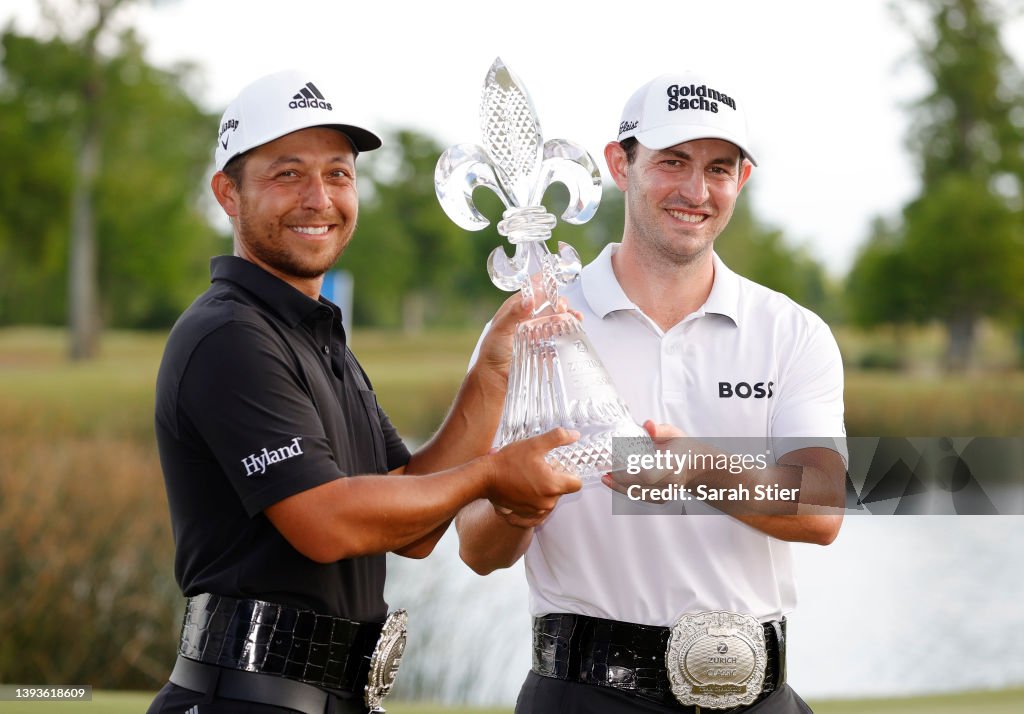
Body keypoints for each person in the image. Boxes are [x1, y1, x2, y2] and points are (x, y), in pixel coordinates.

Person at [146, 68, 581, 714]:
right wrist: (491, 477)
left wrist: (489, 374)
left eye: (338, 173)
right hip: (243, 697)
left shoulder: (314, 334)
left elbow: (413, 521)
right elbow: (326, 522)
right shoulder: (228, 336)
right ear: (227, 194)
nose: (319, 198)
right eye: (287, 173)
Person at [456, 71, 847, 713]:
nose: (696, 191)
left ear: (740, 182)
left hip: (753, 693)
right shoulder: (534, 325)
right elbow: (476, 548)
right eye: (672, 162)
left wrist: (694, 469)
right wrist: (517, 506)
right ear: (620, 164)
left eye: (719, 168)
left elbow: (821, 508)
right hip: (581, 694)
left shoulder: (791, 332)